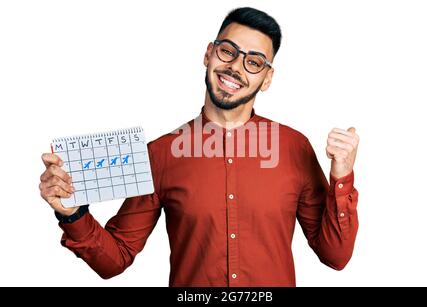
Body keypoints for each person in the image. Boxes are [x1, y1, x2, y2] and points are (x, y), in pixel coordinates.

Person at [39, 7, 360, 286]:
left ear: (267, 78)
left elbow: (335, 256)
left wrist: (342, 176)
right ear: (208, 54)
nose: (236, 67)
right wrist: (72, 213)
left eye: (254, 62)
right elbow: (116, 259)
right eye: (228, 51)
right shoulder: (160, 155)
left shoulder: (294, 148)